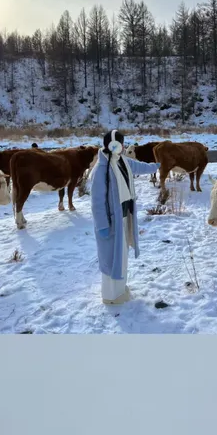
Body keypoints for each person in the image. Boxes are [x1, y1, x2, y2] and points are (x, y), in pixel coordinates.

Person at [90, 130, 160, 305]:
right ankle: (111, 296)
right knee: (110, 259)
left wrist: (157, 166)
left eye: (122, 144)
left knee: (121, 257)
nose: (121, 147)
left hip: (123, 216)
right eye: (118, 144)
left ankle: (120, 290)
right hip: (111, 222)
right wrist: (102, 225)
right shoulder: (101, 169)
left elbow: (139, 167)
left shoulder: (121, 160)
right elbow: (97, 202)